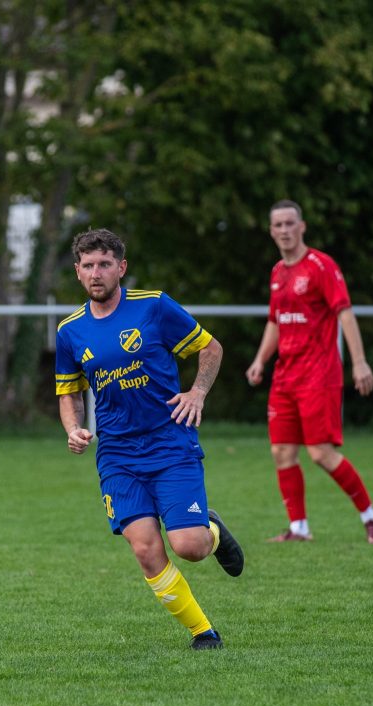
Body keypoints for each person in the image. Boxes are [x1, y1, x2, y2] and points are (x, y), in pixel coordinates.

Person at [55, 228, 244, 651]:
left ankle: (212, 531)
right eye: (88, 266)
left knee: (190, 547)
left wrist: (197, 393)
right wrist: (74, 428)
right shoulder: (70, 331)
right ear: (77, 272)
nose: (96, 273)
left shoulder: (154, 307)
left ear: (121, 268)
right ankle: (203, 632)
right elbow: (67, 391)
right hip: (118, 455)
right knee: (145, 550)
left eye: (104, 264)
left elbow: (210, 348)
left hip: (169, 443)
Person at [246, 199, 373, 544]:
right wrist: (260, 360)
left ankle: (371, 517)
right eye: (277, 225)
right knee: (282, 452)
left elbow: (345, 313)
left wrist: (360, 361)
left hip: (318, 374)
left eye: (290, 223)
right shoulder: (278, 272)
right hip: (285, 376)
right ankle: (299, 529)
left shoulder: (321, 266)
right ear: (271, 231)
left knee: (321, 453)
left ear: (302, 226)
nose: (284, 230)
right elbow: (275, 323)